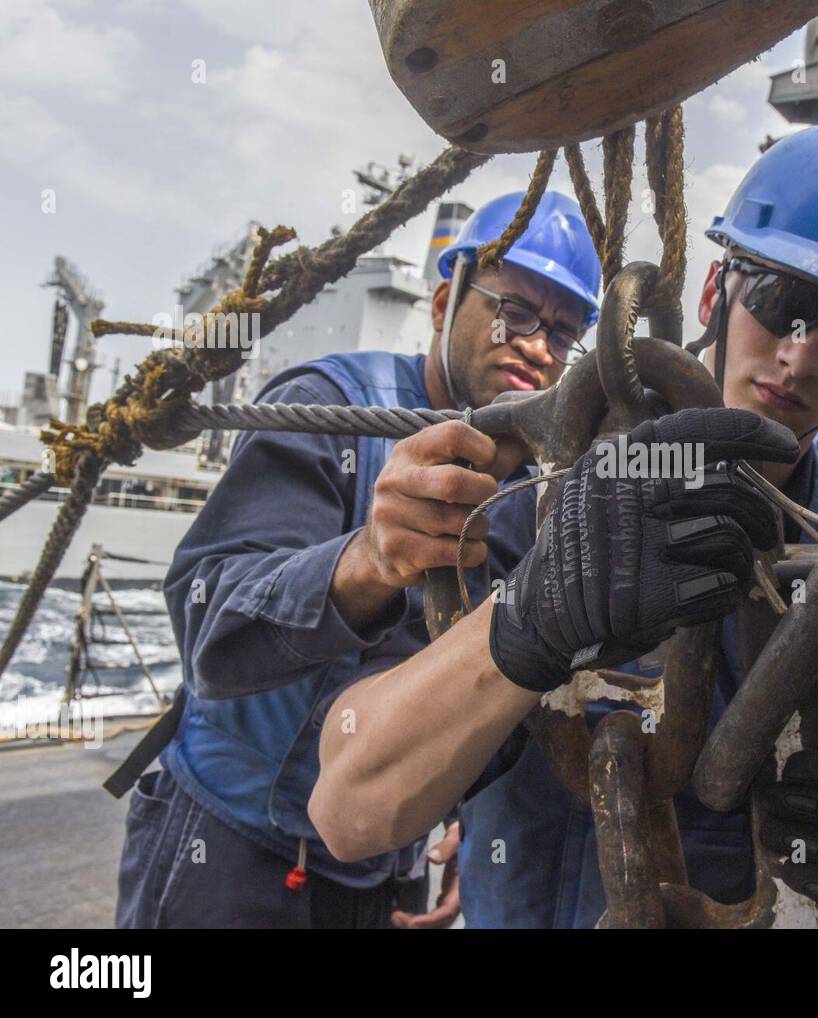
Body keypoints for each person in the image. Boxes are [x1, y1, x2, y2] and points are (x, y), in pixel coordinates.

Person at [310, 119, 818, 929]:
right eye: (783, 303)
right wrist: (525, 626)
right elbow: (351, 808)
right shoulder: (551, 498)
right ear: (718, 291)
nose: (800, 355)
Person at [112, 190, 602, 929]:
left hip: (385, 879)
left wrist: (474, 820)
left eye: (563, 332)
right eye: (517, 312)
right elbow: (207, 624)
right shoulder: (331, 407)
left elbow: (492, 686)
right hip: (226, 855)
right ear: (444, 304)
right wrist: (367, 561)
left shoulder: (536, 490)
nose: (537, 345)